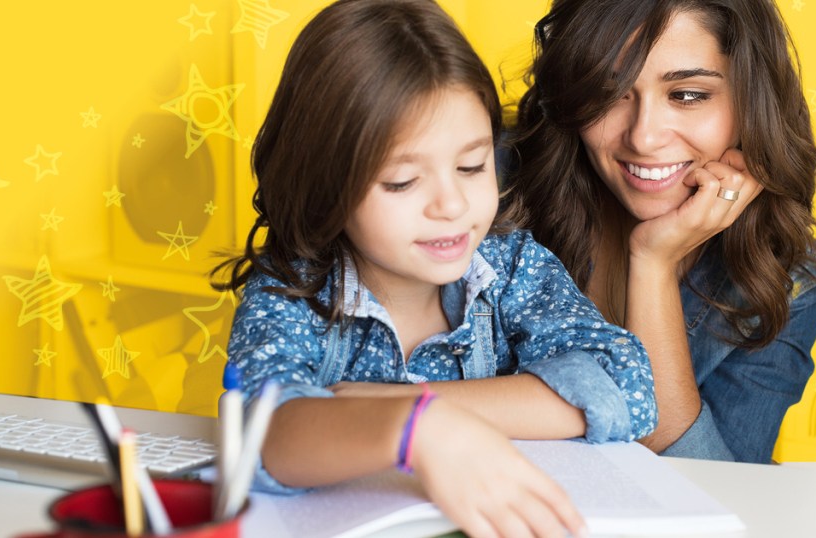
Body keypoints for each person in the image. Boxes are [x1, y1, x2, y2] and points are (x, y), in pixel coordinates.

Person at [213, 0, 656, 535]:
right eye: (402, 182)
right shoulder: (292, 291)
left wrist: (417, 404)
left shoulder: (510, 265)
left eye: (472, 166)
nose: (450, 205)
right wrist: (414, 430)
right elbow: (265, 432)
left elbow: (624, 385)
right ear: (326, 182)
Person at [502, 0, 816, 464]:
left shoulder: (789, 281)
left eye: (686, 95)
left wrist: (653, 264)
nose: (643, 137)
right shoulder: (479, 186)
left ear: (750, 99)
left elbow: (715, 492)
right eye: (609, 92)